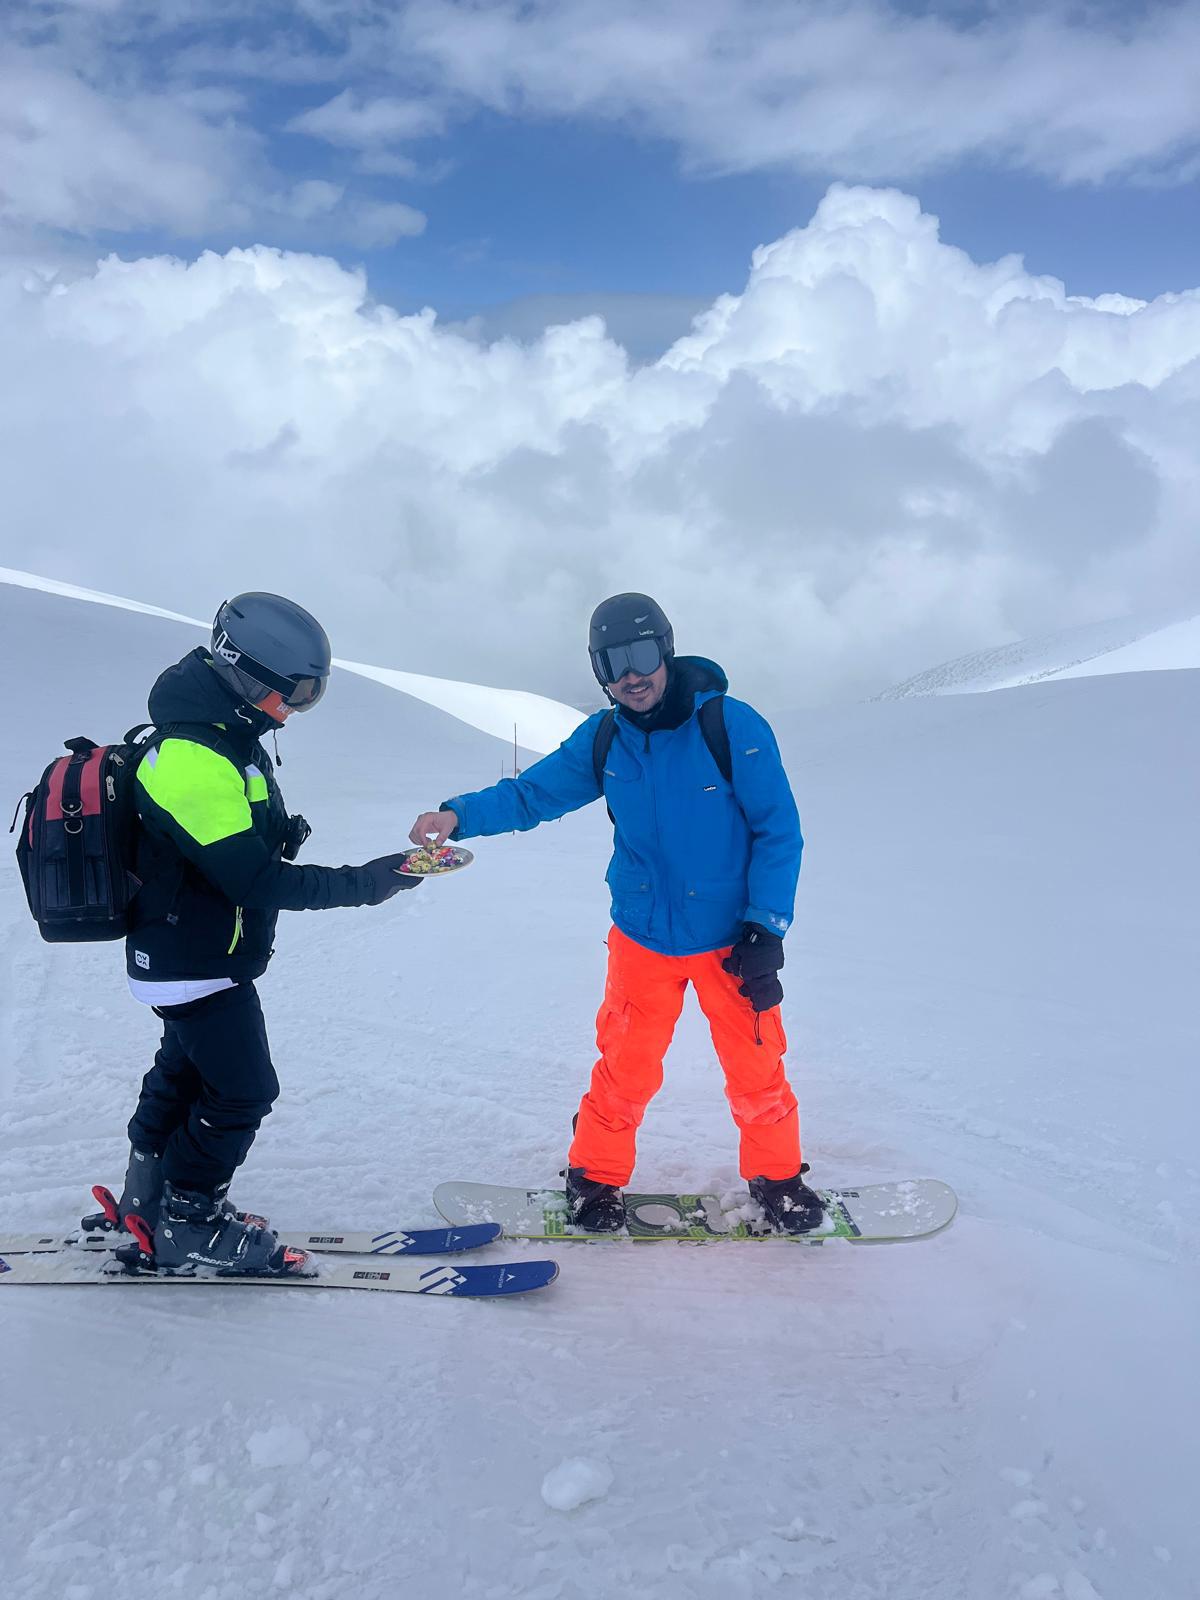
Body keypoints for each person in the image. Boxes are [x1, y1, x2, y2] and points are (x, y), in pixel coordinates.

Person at [410, 593, 822, 1233]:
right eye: (611, 664)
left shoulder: (731, 726)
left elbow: (779, 831)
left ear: (666, 649)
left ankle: (777, 1180)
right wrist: (458, 814)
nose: (630, 676)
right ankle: (594, 1178)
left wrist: (767, 926)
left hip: (732, 942)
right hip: (643, 940)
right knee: (625, 1066)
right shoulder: (605, 739)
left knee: (757, 1067)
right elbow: (533, 794)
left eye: (640, 655)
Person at [108, 593, 421, 1275]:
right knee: (244, 1091)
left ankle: (148, 1200)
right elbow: (254, 883)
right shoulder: (191, 757)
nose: (295, 710)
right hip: (194, 957)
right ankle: (188, 1218)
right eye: (293, 695)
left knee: (183, 1073)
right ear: (246, 675)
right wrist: (370, 882)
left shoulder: (220, 737)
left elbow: (236, 851)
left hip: (187, 950)